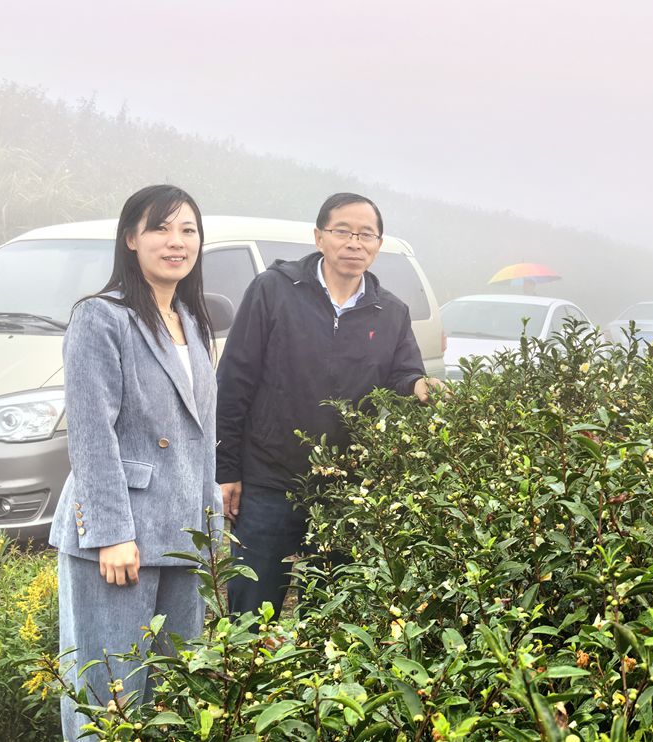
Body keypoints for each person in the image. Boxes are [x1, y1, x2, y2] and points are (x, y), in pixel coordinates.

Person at [49, 185, 219, 740]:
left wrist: (210, 533)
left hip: (181, 535)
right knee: (109, 694)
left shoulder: (193, 322)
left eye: (188, 230)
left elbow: (202, 439)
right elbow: (92, 435)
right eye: (161, 229)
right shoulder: (100, 318)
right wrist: (109, 533)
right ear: (130, 239)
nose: (177, 242)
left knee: (176, 690)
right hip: (121, 536)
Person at [216, 192, 437, 617]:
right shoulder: (273, 291)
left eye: (366, 234)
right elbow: (234, 379)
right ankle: (244, 681)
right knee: (249, 615)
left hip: (345, 487)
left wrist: (419, 387)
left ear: (378, 244)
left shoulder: (390, 312)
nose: (355, 242)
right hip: (268, 479)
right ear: (319, 237)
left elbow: (402, 375)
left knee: (333, 615)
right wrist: (226, 468)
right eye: (343, 231)